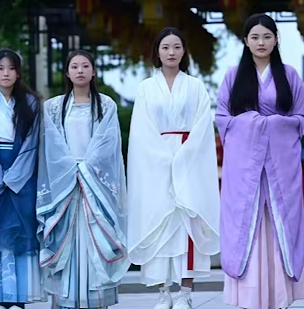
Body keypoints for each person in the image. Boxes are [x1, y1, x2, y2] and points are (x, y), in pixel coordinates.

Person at [216, 13, 304, 309]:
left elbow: (299, 118)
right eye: (255, 37)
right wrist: (253, 124)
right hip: (245, 169)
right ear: (245, 41)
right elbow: (222, 119)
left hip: (281, 165)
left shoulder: (289, 75)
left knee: (280, 223)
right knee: (247, 225)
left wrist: (271, 124)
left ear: (276, 40)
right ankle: (249, 297)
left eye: (267, 36)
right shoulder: (233, 76)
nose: (261, 42)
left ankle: (279, 296)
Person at [127, 27, 220, 309]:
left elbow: (202, 126)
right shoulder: (146, 87)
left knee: (187, 222)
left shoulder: (195, 86)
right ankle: (163, 292)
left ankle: (185, 292)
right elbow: (141, 130)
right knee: (158, 222)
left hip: (189, 160)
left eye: (176, 47)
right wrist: (162, 157)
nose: (171, 52)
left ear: (184, 51)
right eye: (165, 47)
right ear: (157, 52)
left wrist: (184, 154)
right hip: (154, 164)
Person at [37, 50, 129, 309]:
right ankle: (65, 301)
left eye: (85, 66)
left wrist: (85, 172)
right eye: (74, 66)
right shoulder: (53, 107)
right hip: (64, 186)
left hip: (94, 185)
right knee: (66, 241)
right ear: (67, 72)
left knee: (93, 241)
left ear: (93, 71)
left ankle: (96, 301)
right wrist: (70, 171)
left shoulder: (106, 105)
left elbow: (108, 146)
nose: (80, 70)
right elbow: (51, 146)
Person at [0, 49, 43, 309]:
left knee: (22, 235)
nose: (5, 73)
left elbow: (32, 144)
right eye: (0, 68)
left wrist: (12, 178)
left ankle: (18, 298)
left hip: (22, 177)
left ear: (18, 72)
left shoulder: (31, 103)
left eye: (11, 68)